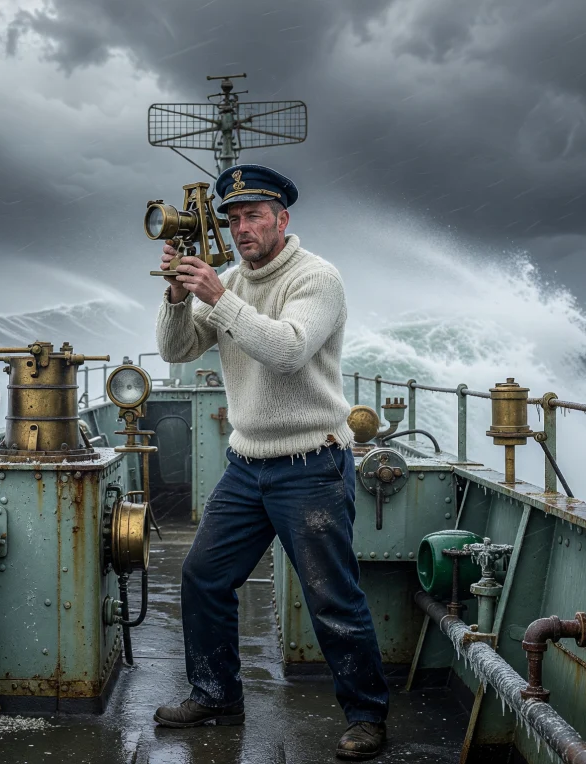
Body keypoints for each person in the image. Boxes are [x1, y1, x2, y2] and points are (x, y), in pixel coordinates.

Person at [151, 164, 389, 760]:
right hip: (247, 464)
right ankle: (215, 696)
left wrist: (218, 297)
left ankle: (367, 716)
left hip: (312, 464)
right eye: (233, 219)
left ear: (283, 219)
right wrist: (178, 298)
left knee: (331, 598)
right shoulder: (227, 281)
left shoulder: (317, 278)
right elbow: (175, 349)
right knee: (204, 577)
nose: (242, 228)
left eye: (254, 216)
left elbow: (286, 349)